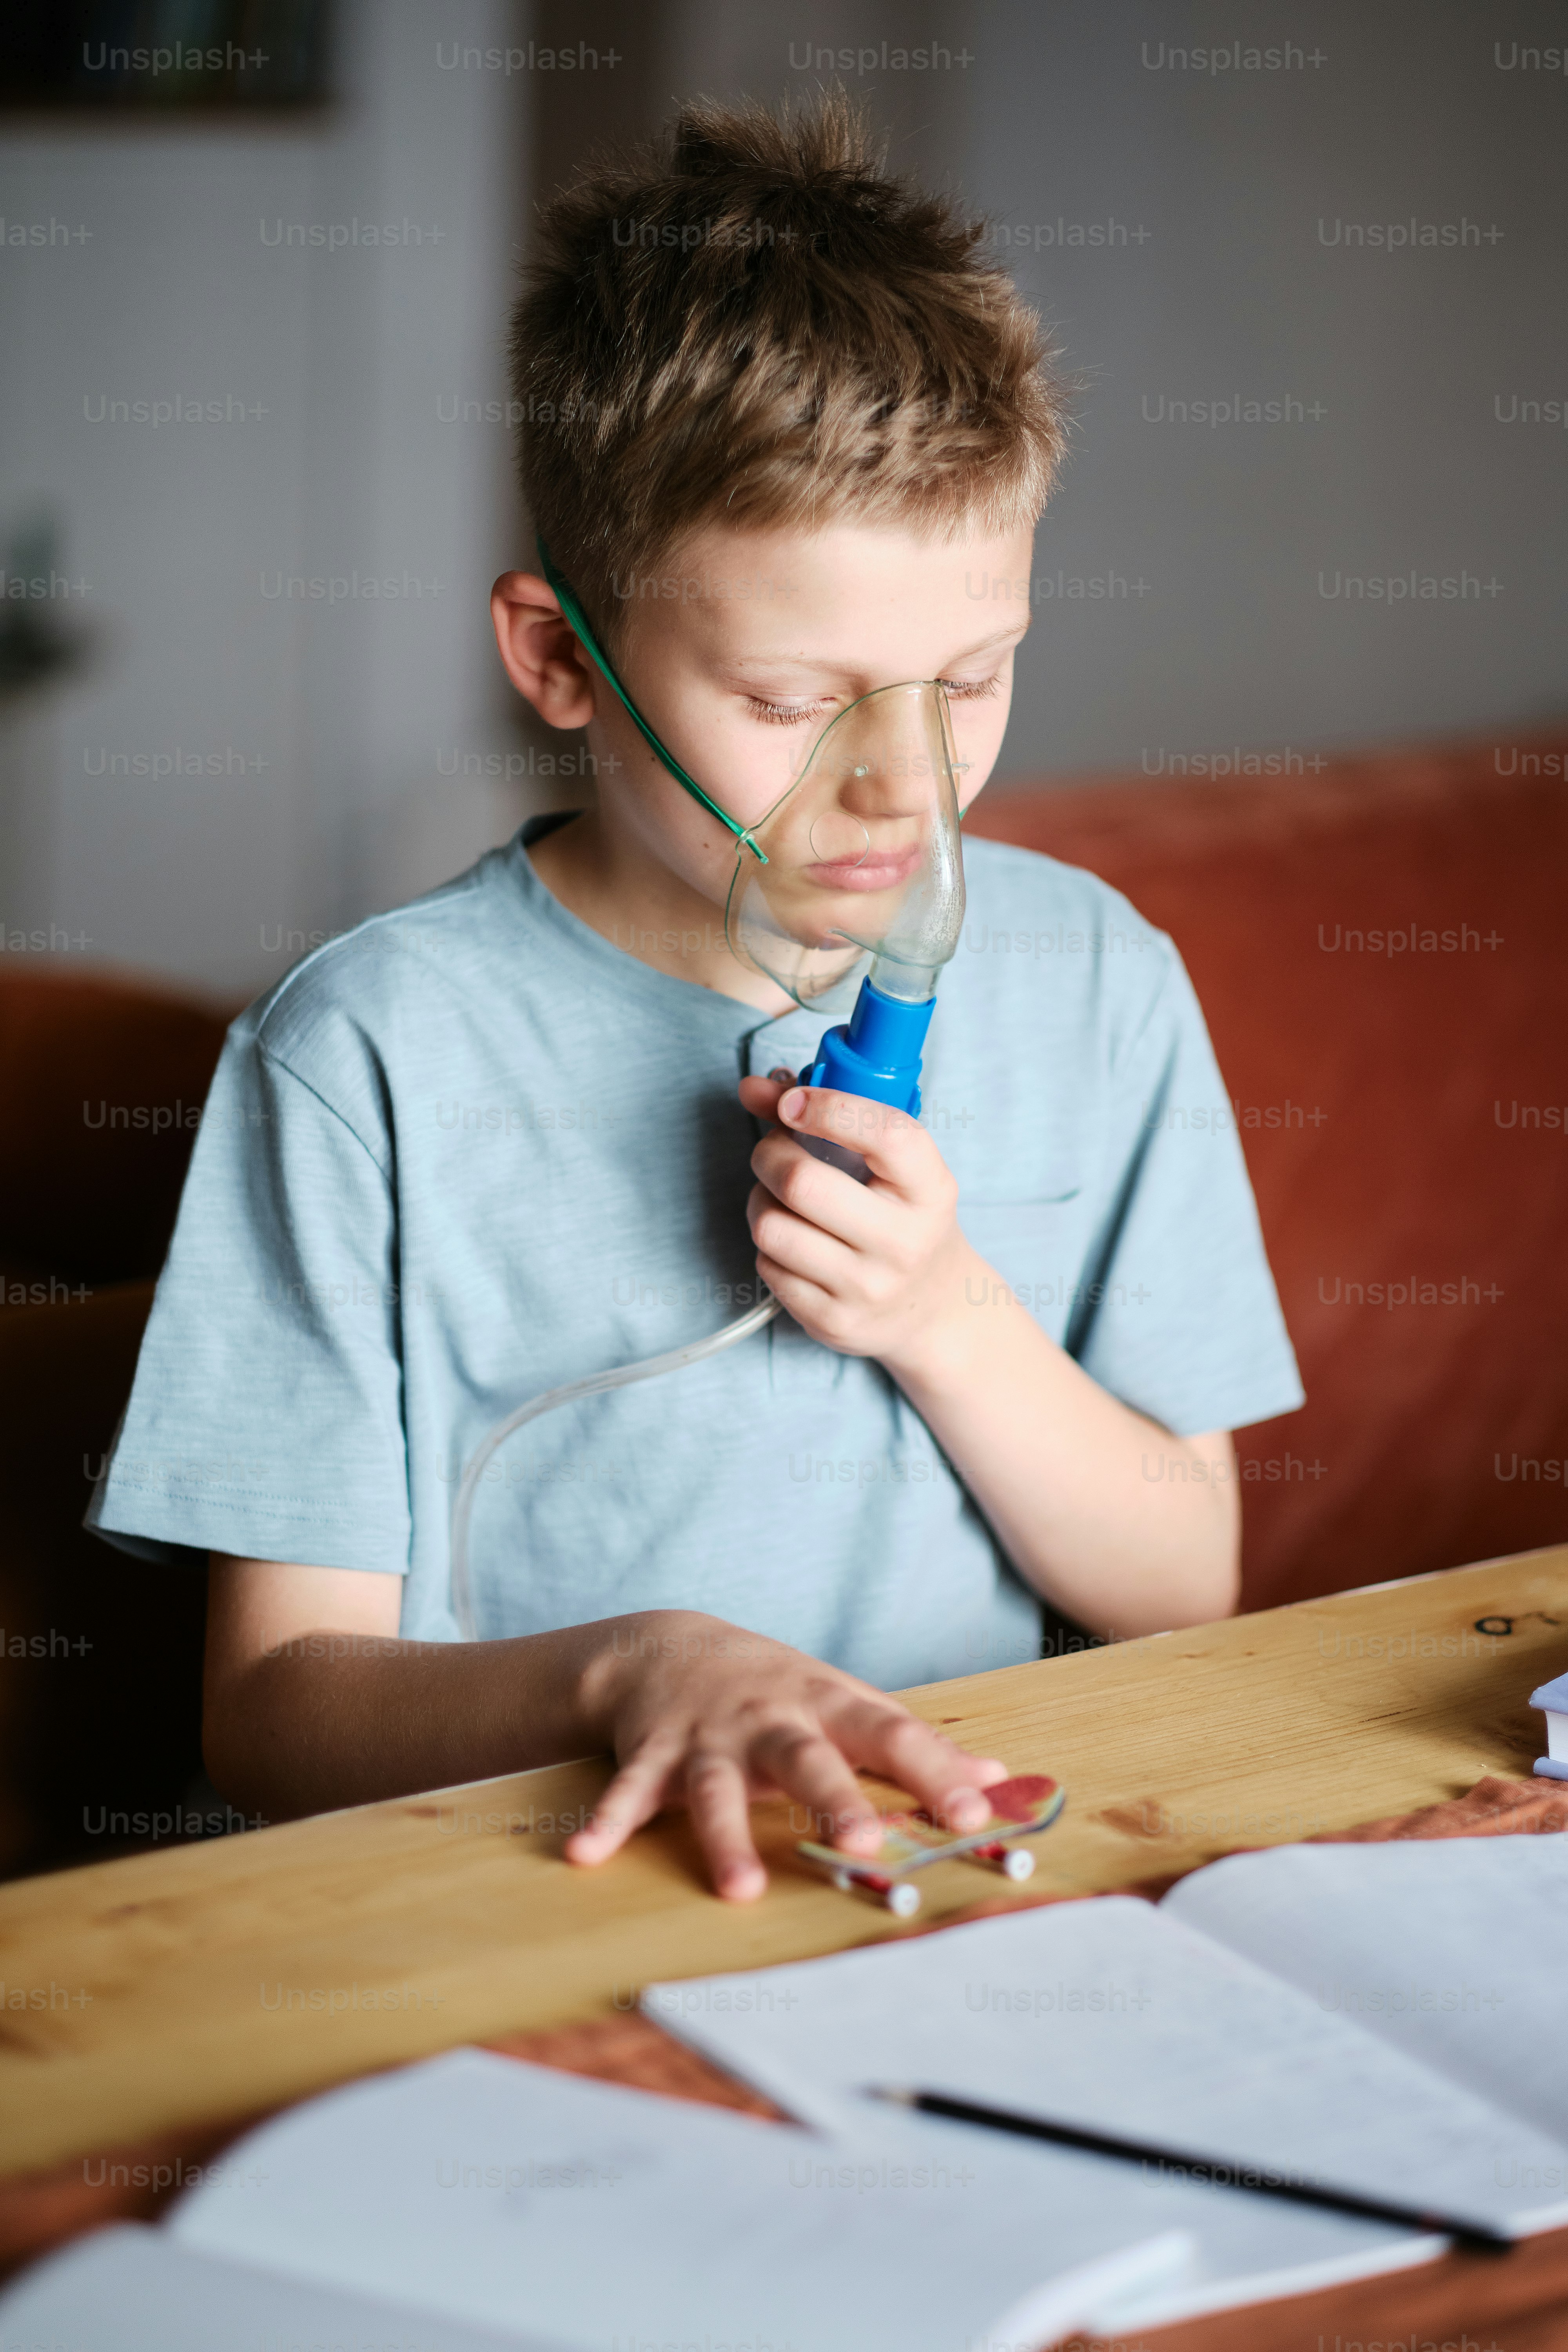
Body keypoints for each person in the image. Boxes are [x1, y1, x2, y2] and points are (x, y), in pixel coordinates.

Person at [88, 96, 1301, 1899]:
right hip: (541, 1893)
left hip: (950, 1882)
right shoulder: (368, 1056)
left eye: (970, 680)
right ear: (561, 659)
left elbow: (1182, 1580)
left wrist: (951, 1320)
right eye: (800, 698)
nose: (904, 785)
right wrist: (625, 1670)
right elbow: (268, 1711)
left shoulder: (1100, 987)